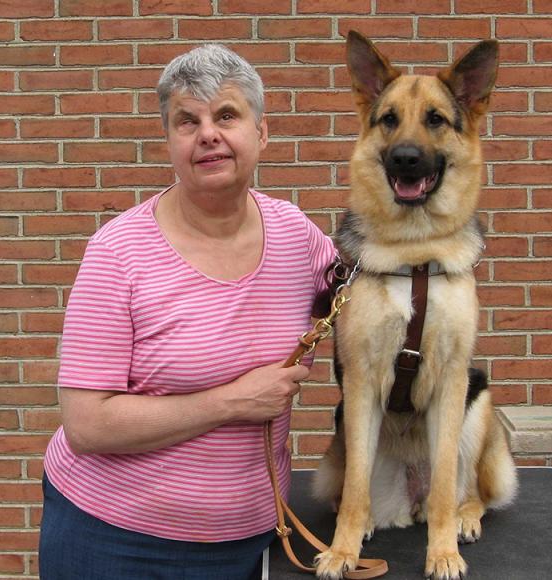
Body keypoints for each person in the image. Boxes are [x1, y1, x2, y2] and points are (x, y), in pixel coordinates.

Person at [38, 44, 337, 579]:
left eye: (226, 115)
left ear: (261, 133)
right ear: (170, 143)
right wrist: (231, 402)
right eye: (187, 121)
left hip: (252, 542)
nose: (208, 134)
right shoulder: (118, 253)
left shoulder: (298, 237)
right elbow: (86, 424)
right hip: (115, 543)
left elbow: (376, 299)